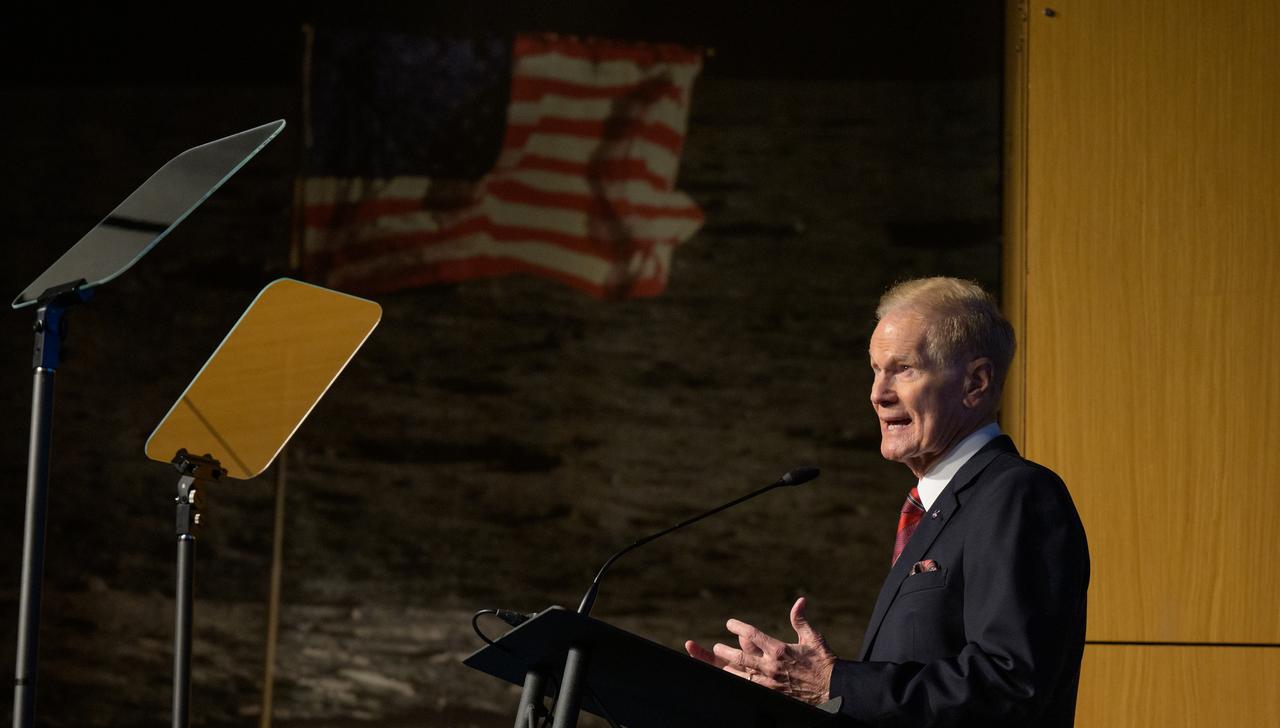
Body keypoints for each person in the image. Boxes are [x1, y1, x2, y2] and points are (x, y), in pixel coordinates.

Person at [685, 277, 1089, 727]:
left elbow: (1011, 687)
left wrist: (833, 683)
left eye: (905, 369)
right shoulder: (933, 509)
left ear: (976, 382)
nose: (878, 393)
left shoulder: (1017, 495)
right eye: (876, 369)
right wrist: (781, 695)